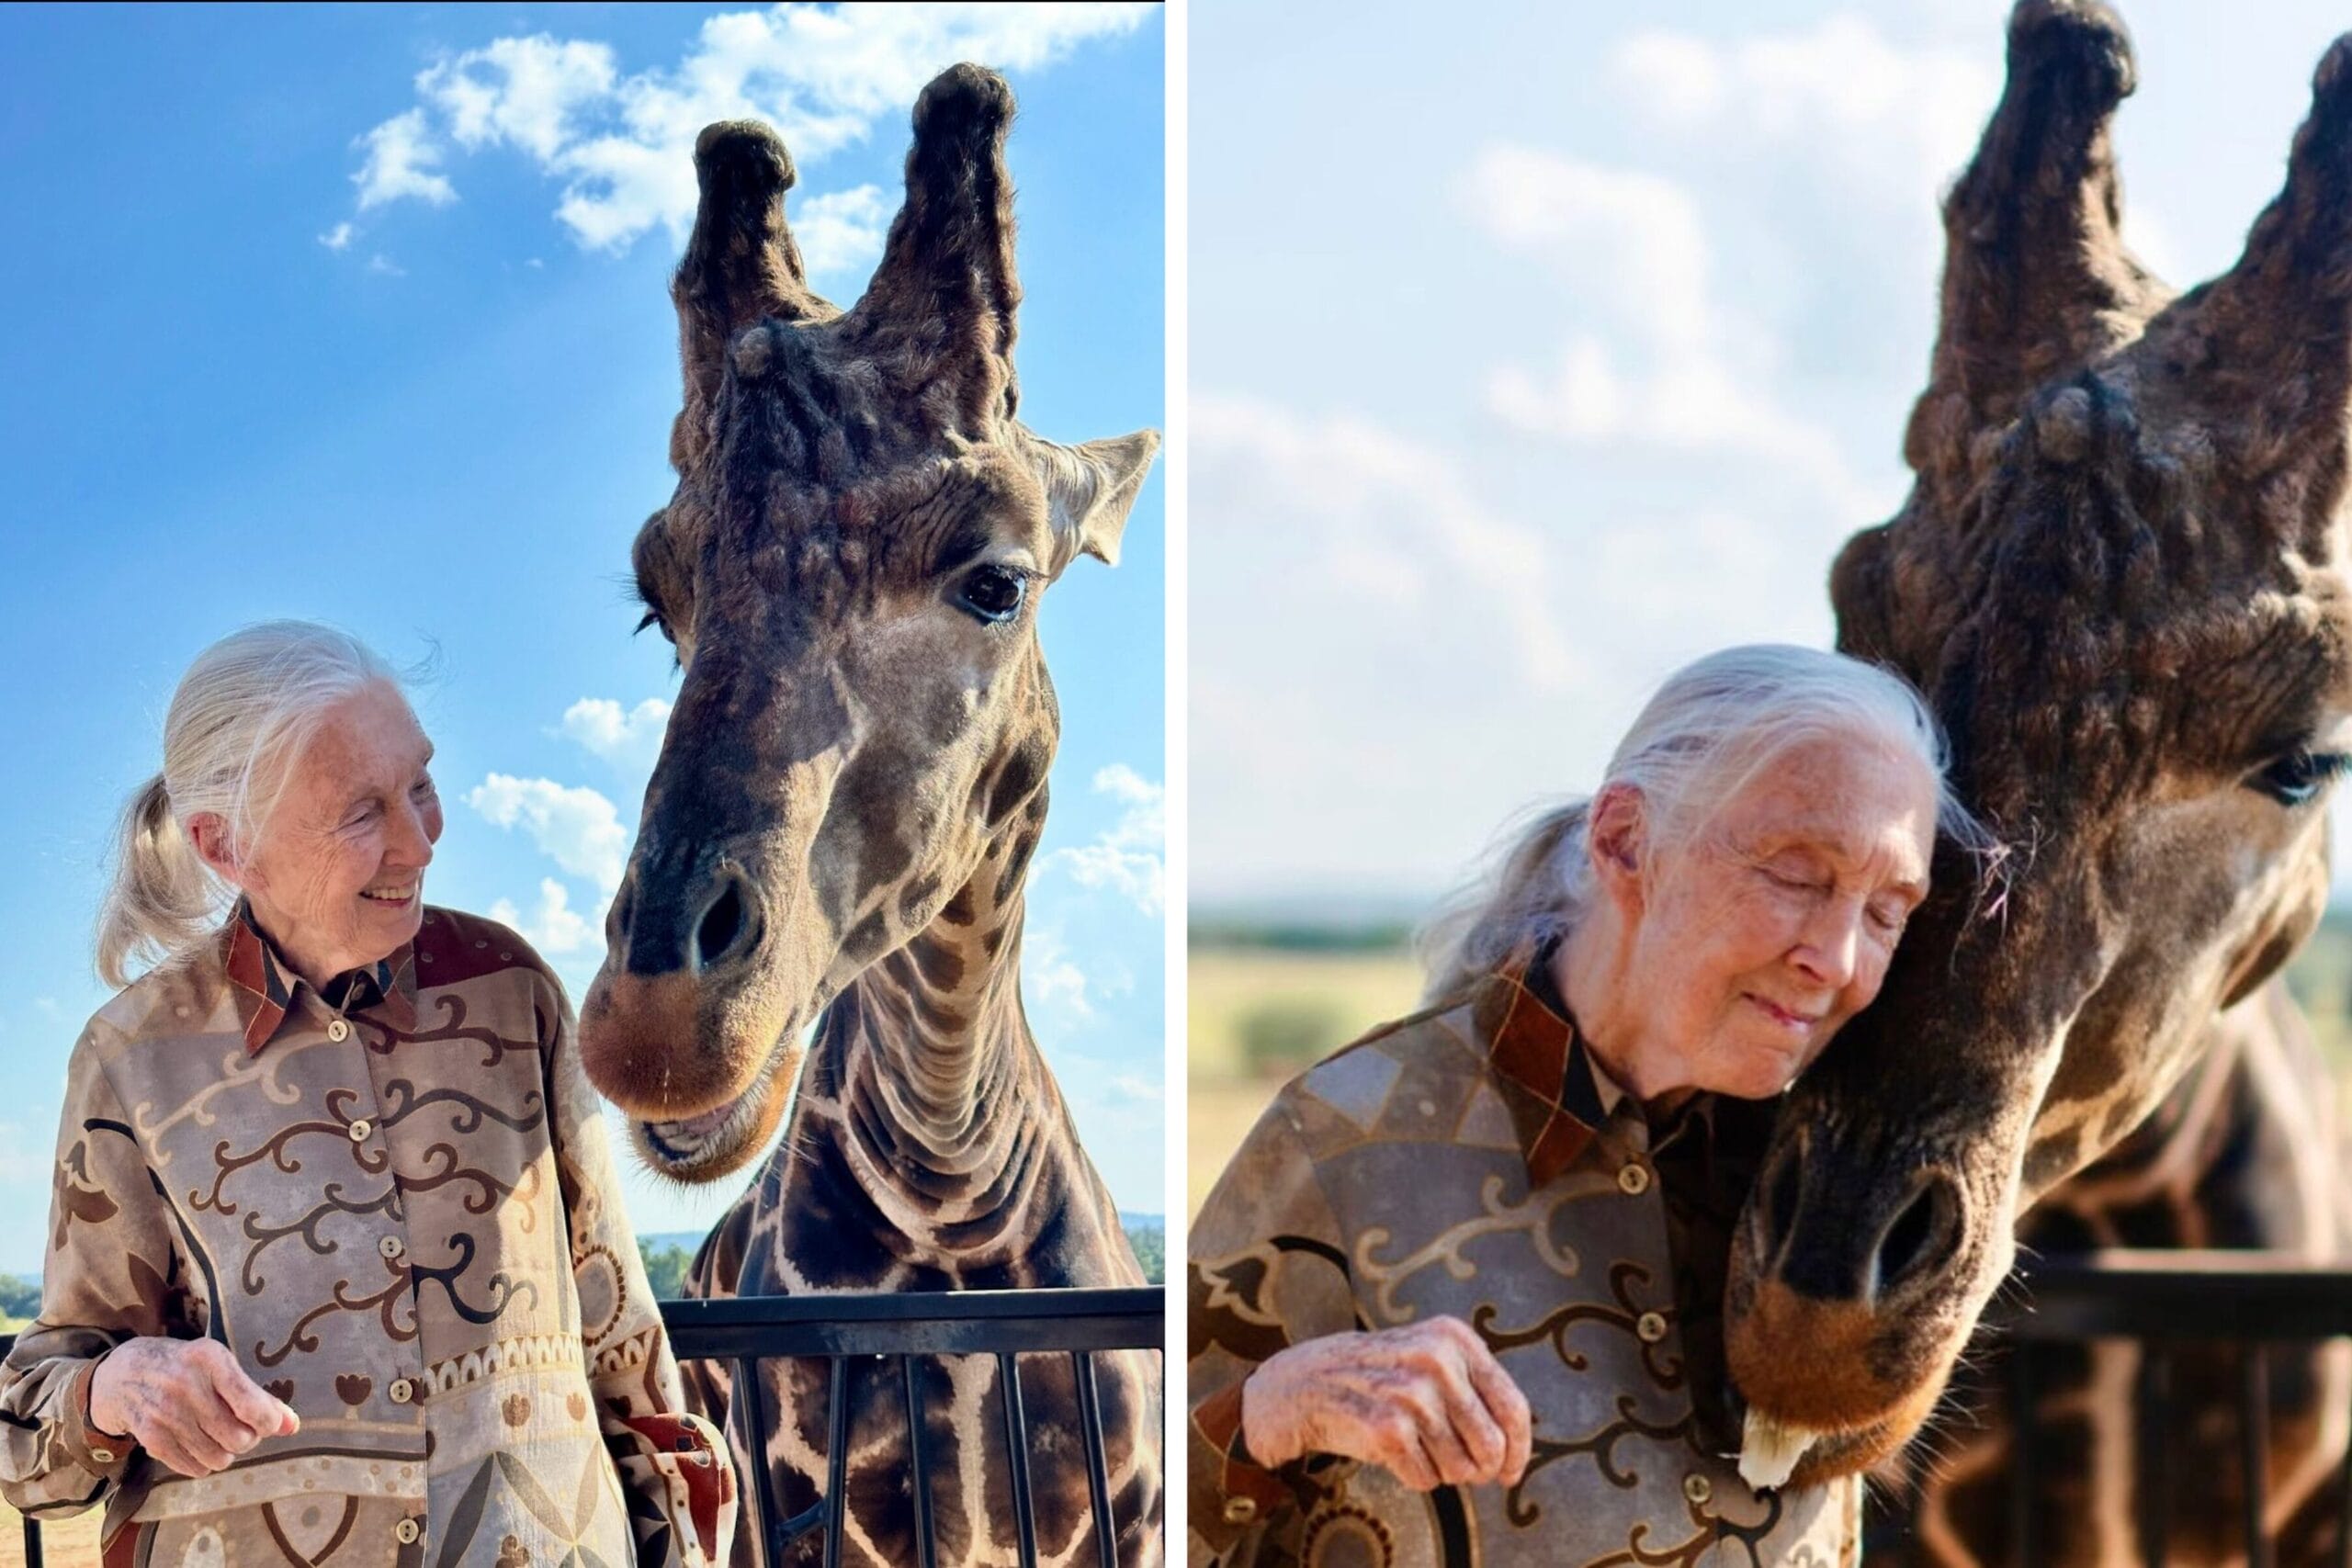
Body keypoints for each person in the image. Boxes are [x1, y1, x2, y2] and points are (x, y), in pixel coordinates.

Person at [1187, 644, 1984, 1567]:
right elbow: (1132, 1495)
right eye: (1797, 877)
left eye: (1885, 911)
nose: (1838, 961)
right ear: (1625, 843)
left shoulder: (1824, 1181)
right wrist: (1272, 1411)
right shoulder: (1342, 1136)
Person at [0, 622, 737, 1566]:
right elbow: (31, 1441)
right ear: (226, 846)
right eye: (361, 813)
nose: (419, 843)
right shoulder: (129, 1057)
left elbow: (622, 1344)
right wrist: (118, 1388)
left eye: (421, 784)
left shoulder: (512, 989)